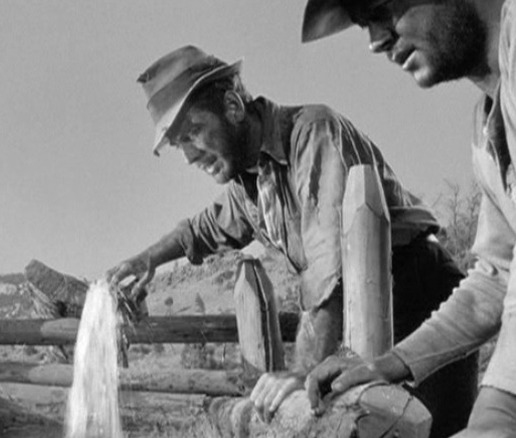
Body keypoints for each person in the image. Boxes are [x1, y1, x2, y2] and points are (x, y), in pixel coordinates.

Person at [105, 45, 477, 436]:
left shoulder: (313, 134)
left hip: (421, 302)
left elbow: (327, 269)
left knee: (434, 431)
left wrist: (301, 372)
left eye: (192, 133)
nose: (189, 156)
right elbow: (202, 229)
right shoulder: (249, 181)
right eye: (179, 144)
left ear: (232, 106)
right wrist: (147, 260)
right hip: (363, 320)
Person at [301, 0, 516, 436]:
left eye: (380, 10)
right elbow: (496, 273)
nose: (376, 41)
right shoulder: (486, 126)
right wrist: (391, 364)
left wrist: (500, 404)